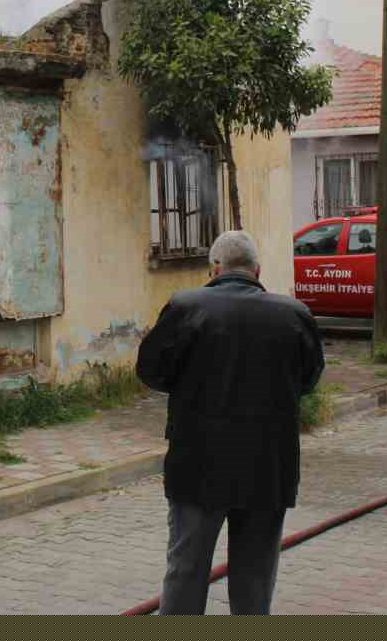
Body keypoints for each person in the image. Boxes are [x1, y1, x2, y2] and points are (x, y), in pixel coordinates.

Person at [136, 230, 325, 615]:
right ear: (257, 270)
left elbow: (151, 371)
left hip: (198, 466)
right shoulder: (294, 314)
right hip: (268, 467)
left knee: (187, 570)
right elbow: (308, 379)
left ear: (214, 268)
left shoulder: (186, 307)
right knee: (254, 577)